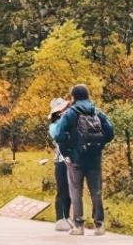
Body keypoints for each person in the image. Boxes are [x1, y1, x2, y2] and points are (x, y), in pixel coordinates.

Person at [52, 84, 114, 235]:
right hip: (94, 158)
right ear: (88, 95)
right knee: (96, 191)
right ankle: (99, 225)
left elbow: (58, 134)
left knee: (76, 191)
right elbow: (110, 131)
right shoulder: (97, 111)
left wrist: (68, 147)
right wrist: (99, 144)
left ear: (73, 97)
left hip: (75, 158)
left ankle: (79, 226)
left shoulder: (70, 113)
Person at [48, 97, 72, 231]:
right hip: (61, 161)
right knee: (62, 191)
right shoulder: (54, 126)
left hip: (72, 161)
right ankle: (60, 218)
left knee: (70, 191)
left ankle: (67, 217)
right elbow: (58, 135)